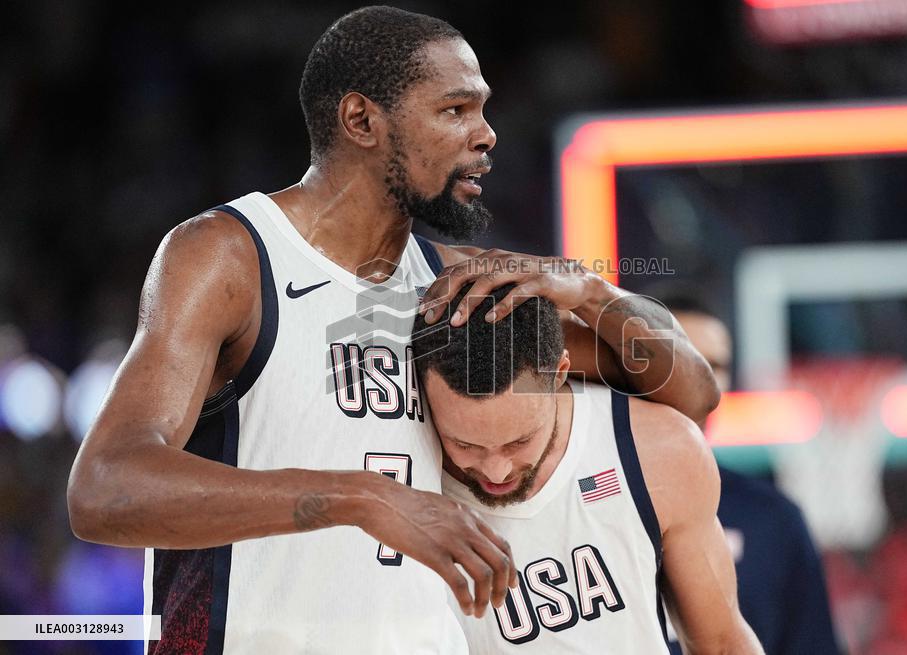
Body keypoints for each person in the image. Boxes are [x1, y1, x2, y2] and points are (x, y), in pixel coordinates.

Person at [66, 6, 719, 654]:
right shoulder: (231, 256)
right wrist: (361, 496)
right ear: (361, 120)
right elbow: (104, 487)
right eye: (455, 110)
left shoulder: (454, 286)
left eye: (483, 109)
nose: (487, 134)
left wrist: (595, 290)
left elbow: (690, 394)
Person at [411, 283, 762, 654]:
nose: (496, 471)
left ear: (560, 371)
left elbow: (723, 644)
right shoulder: (397, 470)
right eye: (465, 445)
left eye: (519, 442)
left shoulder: (656, 446)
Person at [667, 297, 841, 655]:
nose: (700, 381)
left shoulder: (774, 519)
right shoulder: (579, 502)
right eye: (678, 358)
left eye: (714, 365)